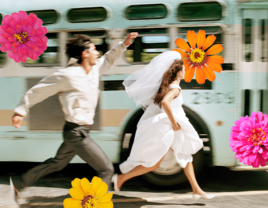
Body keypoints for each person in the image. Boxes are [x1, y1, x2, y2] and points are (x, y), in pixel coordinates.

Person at [10, 32, 138, 206]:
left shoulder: (93, 70)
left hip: (78, 131)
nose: (97, 53)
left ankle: (19, 183)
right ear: (84, 53)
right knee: (106, 170)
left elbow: (109, 58)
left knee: (57, 164)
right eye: (93, 49)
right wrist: (20, 110)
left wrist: (124, 44)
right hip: (76, 132)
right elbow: (40, 89)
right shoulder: (68, 75)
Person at [111, 51, 214, 200]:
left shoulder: (167, 85)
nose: (185, 71)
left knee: (185, 156)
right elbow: (165, 102)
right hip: (170, 128)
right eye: (184, 69)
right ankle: (120, 178)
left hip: (169, 128)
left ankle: (196, 189)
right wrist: (174, 123)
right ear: (179, 72)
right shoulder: (175, 88)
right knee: (155, 164)